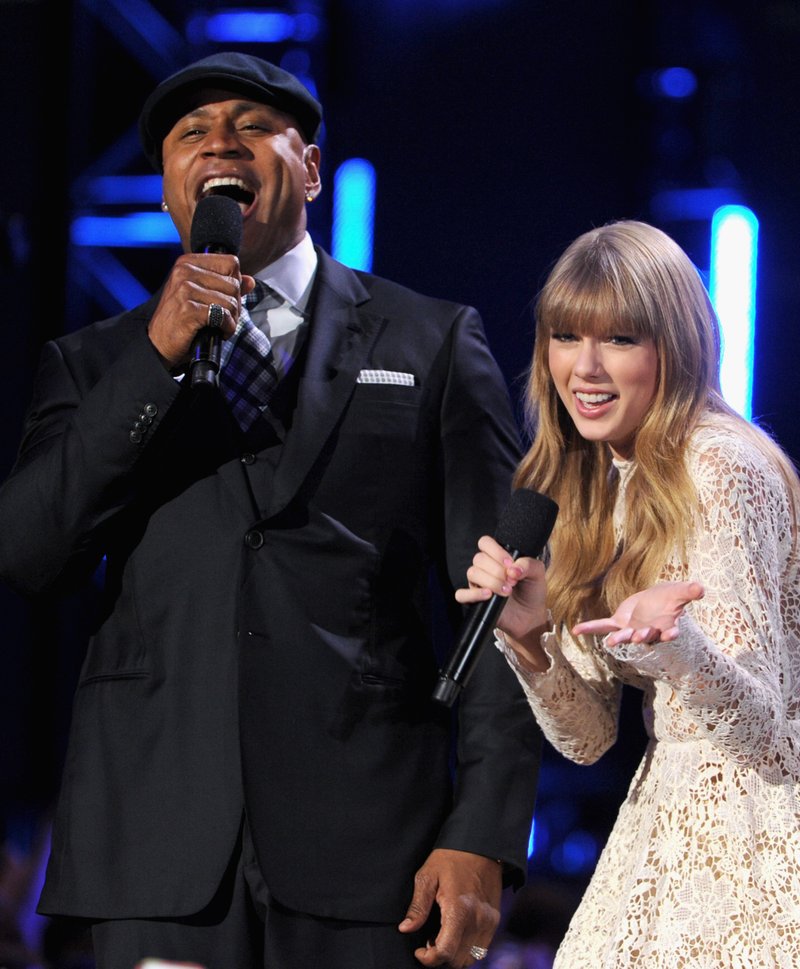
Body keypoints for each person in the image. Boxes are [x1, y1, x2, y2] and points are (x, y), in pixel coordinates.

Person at [0, 51, 541, 969]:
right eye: (191, 133)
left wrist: (485, 831)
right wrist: (155, 361)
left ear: (313, 169)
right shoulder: (95, 364)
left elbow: (498, 603)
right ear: (170, 185)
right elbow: (26, 554)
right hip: (158, 857)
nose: (221, 144)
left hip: (375, 855)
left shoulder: (433, 340)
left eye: (252, 126)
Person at [457, 219, 800, 966]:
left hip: (754, 838)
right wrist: (530, 634)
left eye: (618, 339)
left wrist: (678, 645)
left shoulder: (719, 466)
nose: (585, 367)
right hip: (662, 822)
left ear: (672, 349)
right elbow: (589, 741)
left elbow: (765, 729)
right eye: (566, 336)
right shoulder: (599, 481)